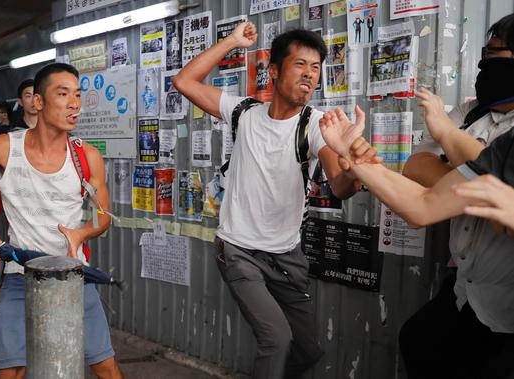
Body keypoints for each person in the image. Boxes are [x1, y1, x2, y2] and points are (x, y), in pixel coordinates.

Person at [172, 23, 374, 379]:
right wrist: (233, 41)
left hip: (286, 257)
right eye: (300, 65)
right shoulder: (244, 113)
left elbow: (340, 187)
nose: (310, 75)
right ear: (275, 70)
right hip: (238, 250)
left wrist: (356, 166)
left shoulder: (313, 126)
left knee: (307, 350)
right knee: (276, 340)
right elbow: (184, 82)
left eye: (315, 68)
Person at [319, 94, 514, 378]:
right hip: (474, 295)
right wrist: (352, 156)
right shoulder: (505, 146)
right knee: (420, 341)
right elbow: (424, 203)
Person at [0, 63, 122, 379]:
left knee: (104, 365)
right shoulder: (3, 148)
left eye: (78, 95)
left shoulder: (87, 156)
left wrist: (82, 233)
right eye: (63, 93)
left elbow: (103, 217)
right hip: (19, 274)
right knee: (12, 370)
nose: (74, 103)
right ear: (38, 102)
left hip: (73, 274)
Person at [387, 14, 514, 378]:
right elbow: (416, 166)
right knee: (419, 342)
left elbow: (501, 187)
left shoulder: (453, 119)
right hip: (465, 285)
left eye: (494, 54)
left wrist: (446, 133)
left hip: (504, 300)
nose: (483, 65)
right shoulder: (470, 112)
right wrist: (466, 161)